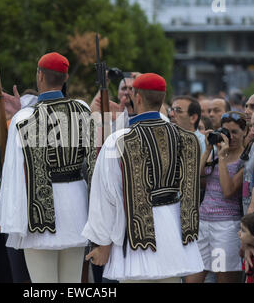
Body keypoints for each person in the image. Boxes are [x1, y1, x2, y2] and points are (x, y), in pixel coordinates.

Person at [82, 73, 204, 283]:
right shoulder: (187, 139)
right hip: (174, 236)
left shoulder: (118, 141)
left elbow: (106, 195)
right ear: (163, 98)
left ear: (137, 98)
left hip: (136, 239)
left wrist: (102, 243)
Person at [0, 52, 97, 283]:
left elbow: (12, 175)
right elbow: (92, 166)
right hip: (77, 209)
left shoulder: (23, 119)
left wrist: (4, 213)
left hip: (39, 213)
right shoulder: (82, 110)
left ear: (39, 75)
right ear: (66, 76)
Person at [186, 111, 248, 283]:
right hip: (204, 223)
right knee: (192, 279)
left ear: (245, 132)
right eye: (226, 132)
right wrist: (207, 151)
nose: (230, 137)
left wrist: (222, 158)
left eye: (235, 132)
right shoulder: (215, 154)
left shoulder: (245, 161)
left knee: (223, 278)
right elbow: (197, 179)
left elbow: (228, 191)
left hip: (226, 227)